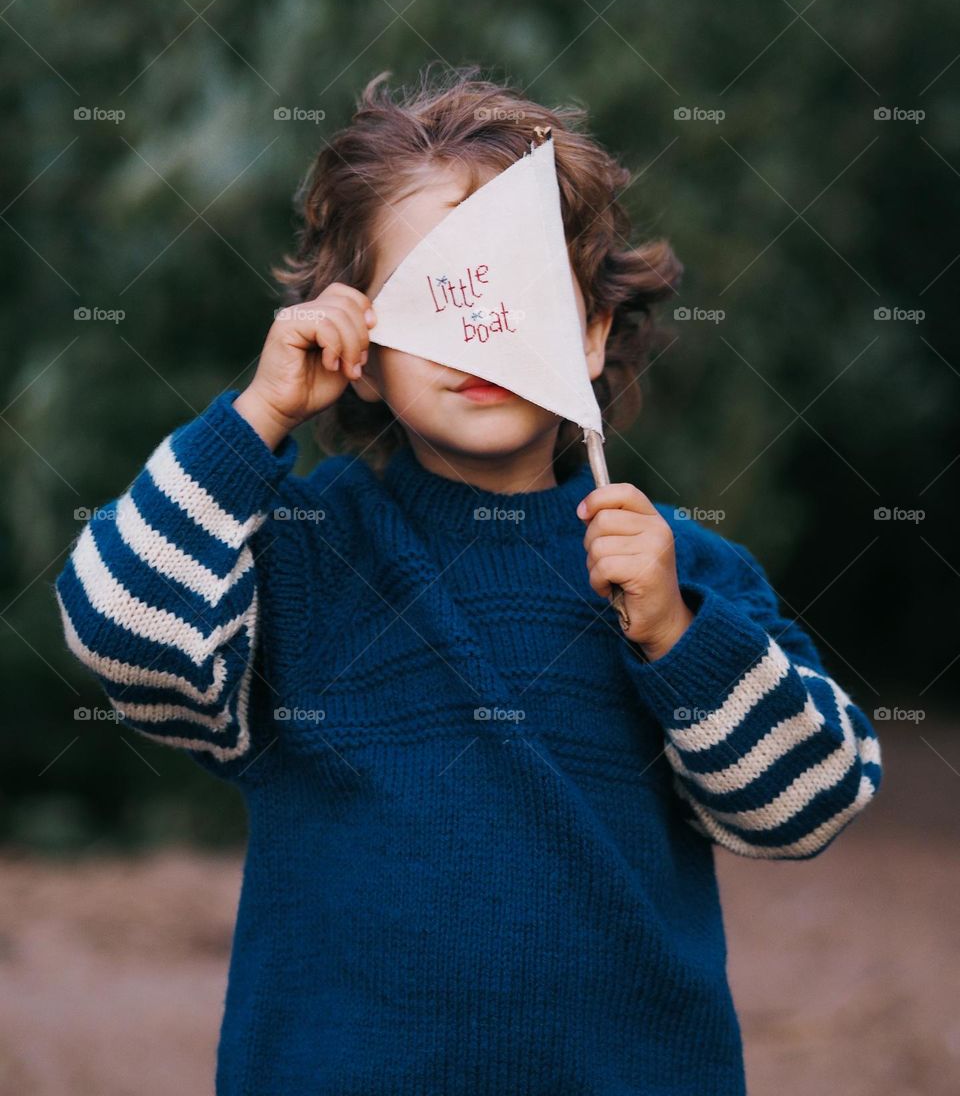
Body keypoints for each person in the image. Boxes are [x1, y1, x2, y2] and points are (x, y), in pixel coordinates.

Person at [54, 64, 882, 1095]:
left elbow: (812, 800)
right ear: (359, 345)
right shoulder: (298, 550)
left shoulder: (683, 572)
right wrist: (254, 421)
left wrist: (679, 638)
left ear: (589, 331)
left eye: (516, 290)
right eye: (438, 294)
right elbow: (117, 629)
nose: (478, 330)